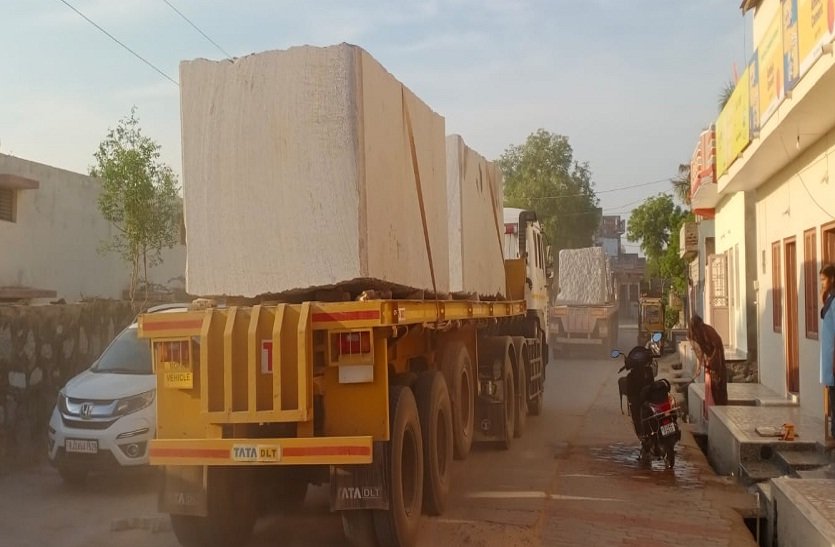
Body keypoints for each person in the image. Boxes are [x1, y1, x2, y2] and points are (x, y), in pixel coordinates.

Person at [688, 315, 729, 416]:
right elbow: (701, 351)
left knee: (717, 386)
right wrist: (698, 368)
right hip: (709, 364)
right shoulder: (699, 334)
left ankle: (718, 410)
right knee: (709, 386)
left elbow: (716, 347)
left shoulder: (707, 331)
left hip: (717, 362)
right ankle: (709, 410)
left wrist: (711, 360)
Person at [819, 265, 835, 441]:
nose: (822, 283)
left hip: (833, 357)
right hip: (829, 355)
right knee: (832, 393)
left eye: (824, 279)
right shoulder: (829, 298)